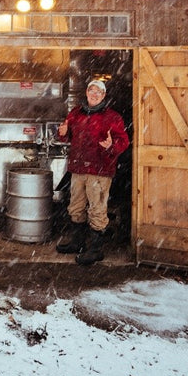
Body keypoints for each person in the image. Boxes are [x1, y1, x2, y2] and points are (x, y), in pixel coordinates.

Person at [54, 78, 130, 265]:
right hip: (78, 169)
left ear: (104, 95)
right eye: (91, 91)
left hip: (99, 170)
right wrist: (62, 134)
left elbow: (124, 142)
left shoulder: (112, 117)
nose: (94, 94)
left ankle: (96, 250)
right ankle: (77, 243)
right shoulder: (76, 114)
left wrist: (111, 146)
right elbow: (66, 137)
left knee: (97, 209)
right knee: (76, 207)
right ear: (87, 93)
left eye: (99, 92)